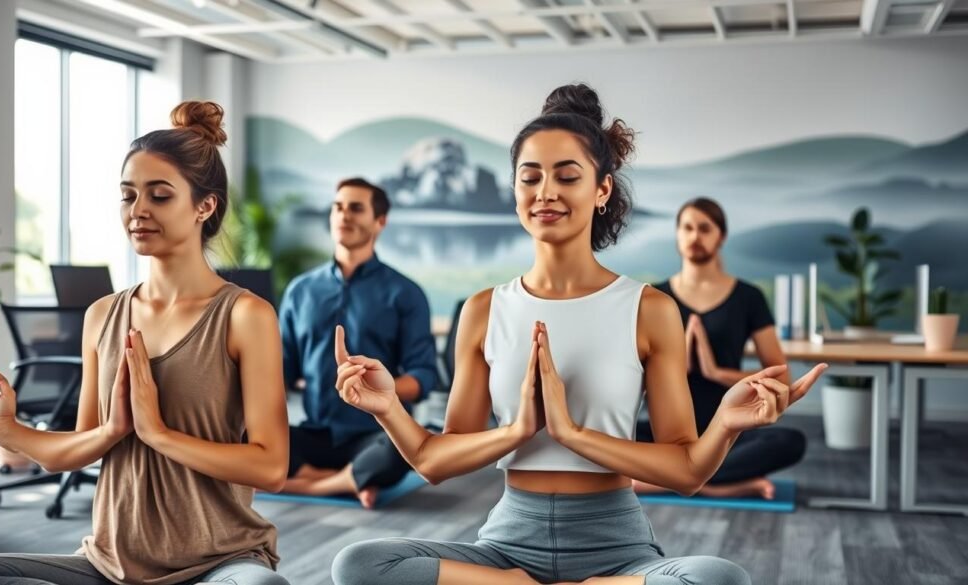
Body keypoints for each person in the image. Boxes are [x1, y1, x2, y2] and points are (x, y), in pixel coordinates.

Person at [329, 84, 827, 585]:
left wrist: (721, 424)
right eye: (530, 178)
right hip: (507, 545)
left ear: (602, 189)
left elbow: (686, 470)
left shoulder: (649, 308)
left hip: (618, 549)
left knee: (719, 579)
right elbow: (436, 461)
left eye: (568, 177)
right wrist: (398, 410)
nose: (546, 192)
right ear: (515, 189)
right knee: (359, 564)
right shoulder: (483, 310)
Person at [0, 102, 291, 585]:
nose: (138, 211)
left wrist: (159, 434)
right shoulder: (102, 315)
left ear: (204, 206)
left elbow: (271, 466)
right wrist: (4, 430)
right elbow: (81, 445)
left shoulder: (244, 316)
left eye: (160, 195)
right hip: (109, 566)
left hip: (219, 566)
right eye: (128, 196)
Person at [276, 178, 437, 509]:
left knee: (404, 447)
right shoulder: (299, 291)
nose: (344, 215)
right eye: (338, 207)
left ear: (380, 221)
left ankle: (309, 484)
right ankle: (344, 480)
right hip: (316, 433)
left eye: (355, 208)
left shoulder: (406, 293)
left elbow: (424, 376)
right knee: (241, 430)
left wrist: (381, 389)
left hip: (374, 434)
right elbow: (282, 371)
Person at [633, 197, 806, 499]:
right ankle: (715, 484)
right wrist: (676, 369)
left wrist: (716, 372)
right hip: (665, 434)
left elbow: (781, 378)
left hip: (728, 432)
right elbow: (634, 378)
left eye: (704, 228)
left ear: (720, 237)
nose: (694, 237)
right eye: (687, 228)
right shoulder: (654, 298)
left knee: (791, 441)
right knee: (600, 438)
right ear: (677, 235)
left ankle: (673, 481)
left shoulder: (748, 297)